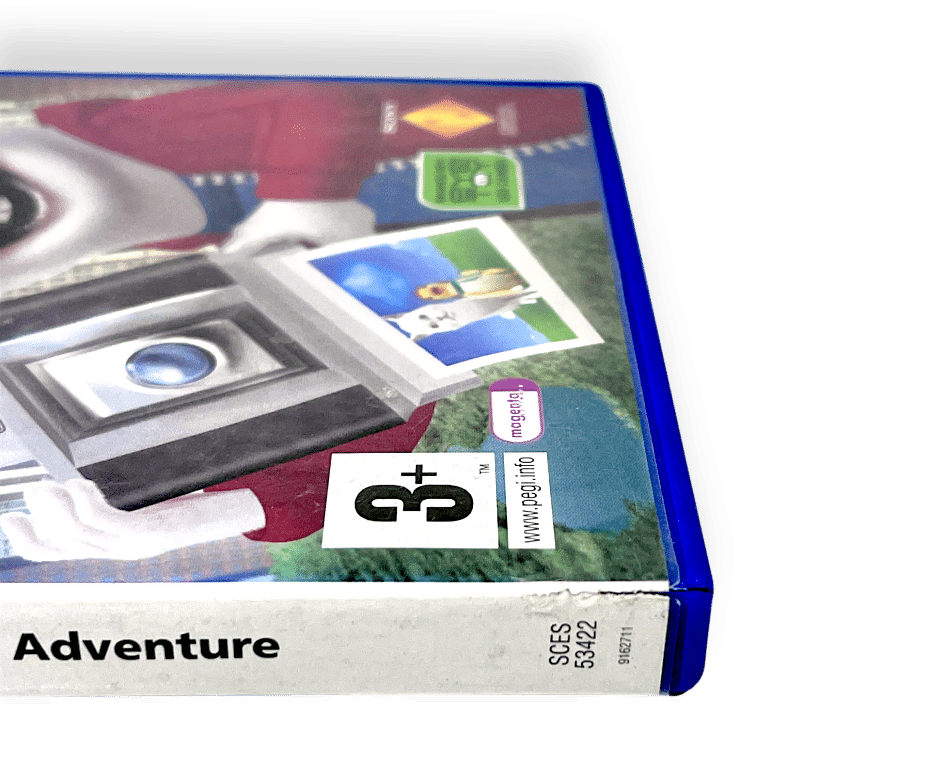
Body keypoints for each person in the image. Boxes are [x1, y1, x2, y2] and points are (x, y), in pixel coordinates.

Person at [0, 79, 588, 561]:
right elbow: (385, 416)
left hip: (535, 122)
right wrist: (215, 512)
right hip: (534, 204)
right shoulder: (198, 239)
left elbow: (316, 96)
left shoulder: (129, 143)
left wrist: (305, 194)